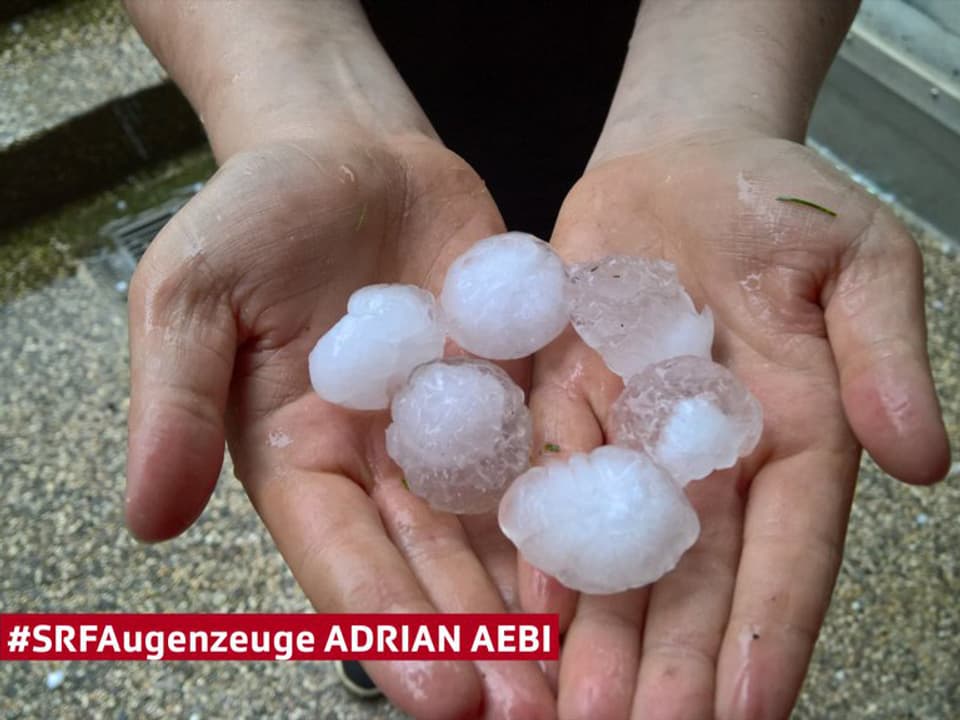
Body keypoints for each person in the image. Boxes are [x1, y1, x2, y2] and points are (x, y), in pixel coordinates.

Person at [121, 1, 951, 718]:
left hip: (653, 116)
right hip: (370, 138)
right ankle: (397, 627)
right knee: (400, 558)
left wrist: (713, 108)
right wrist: (294, 103)